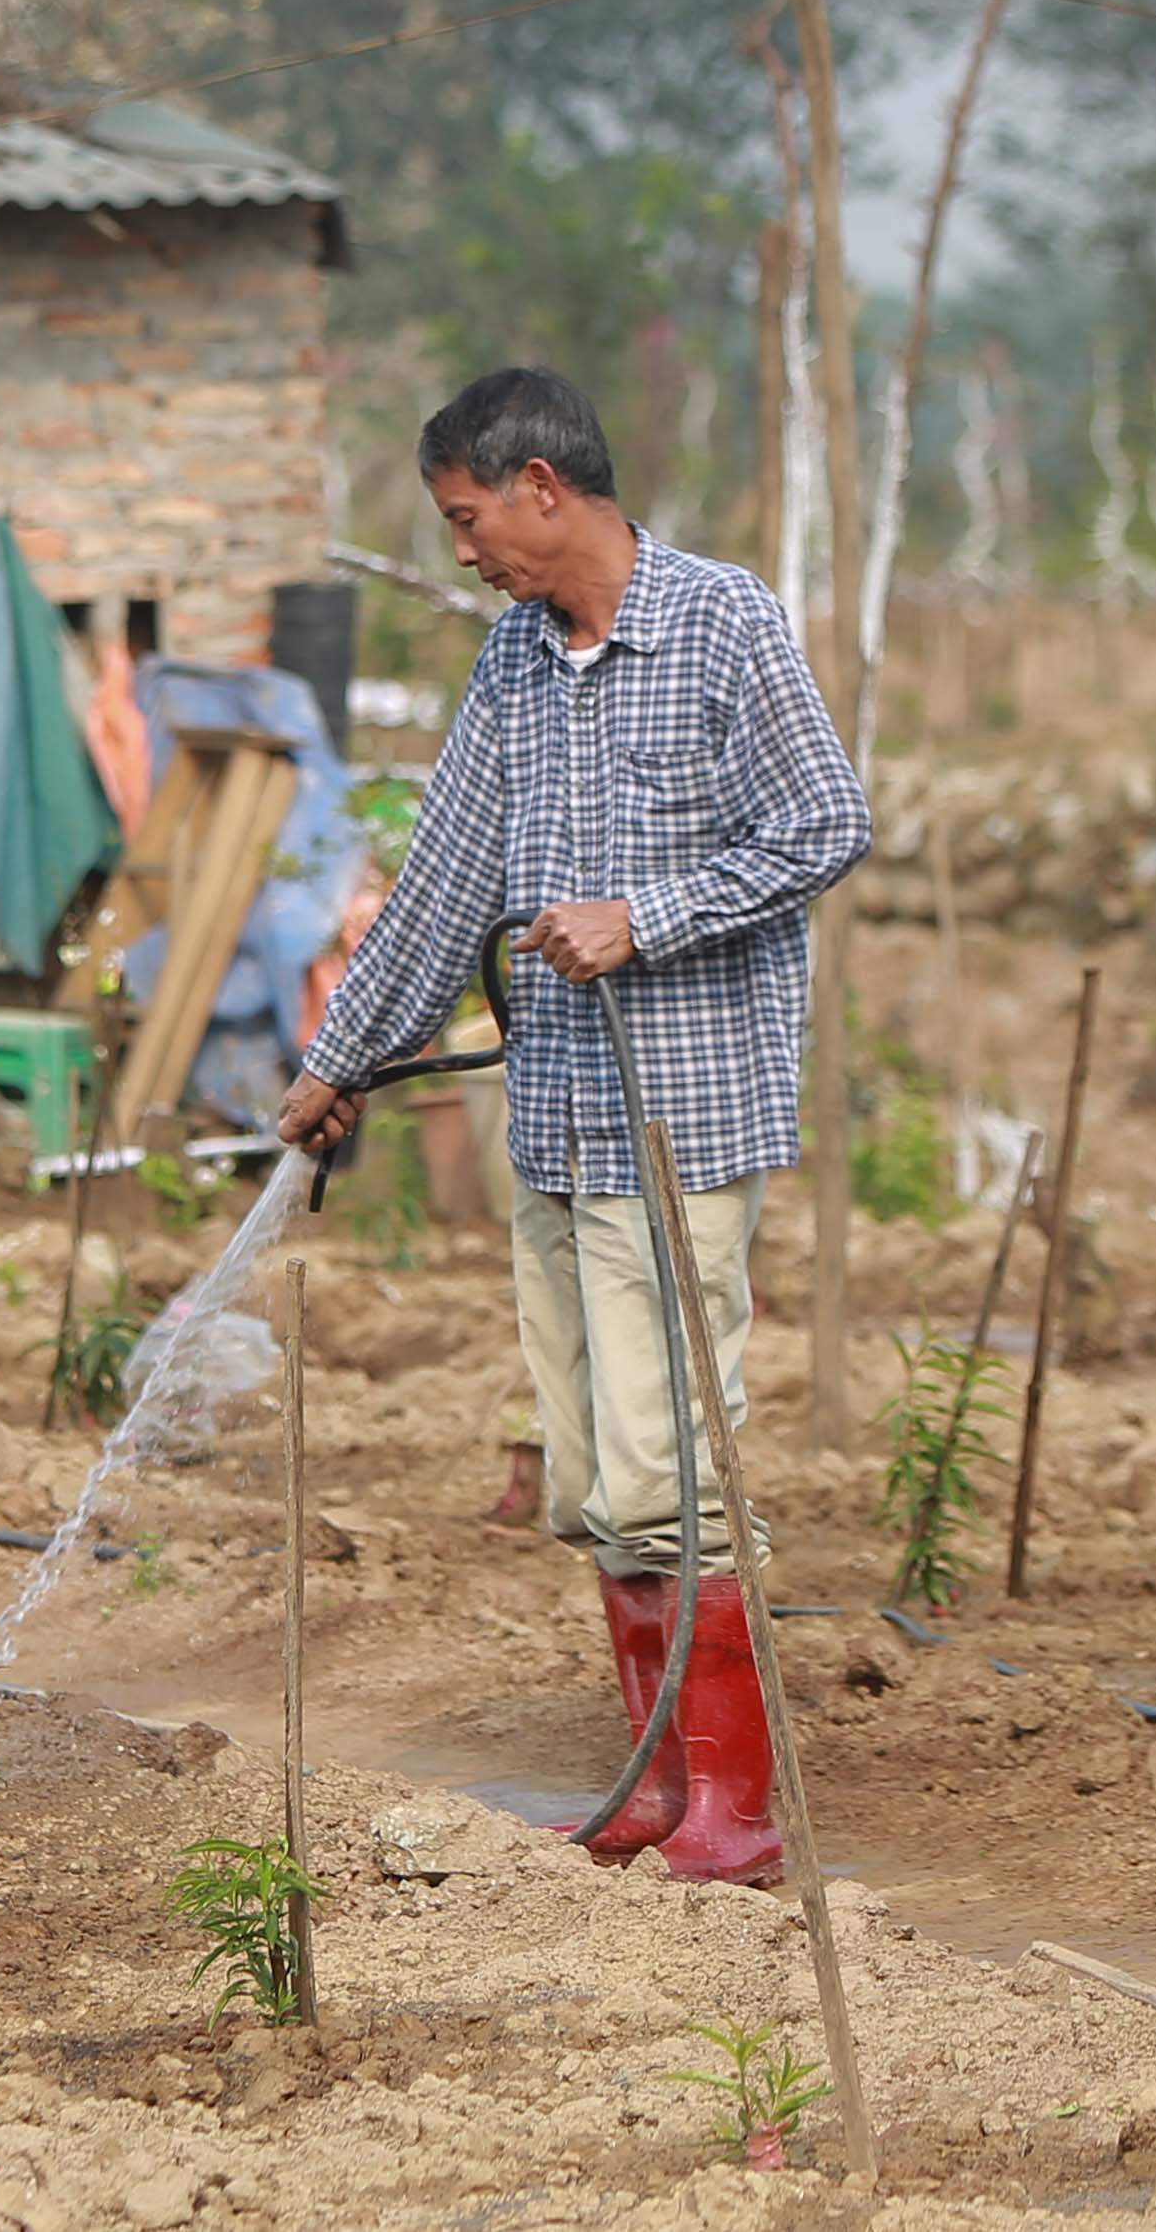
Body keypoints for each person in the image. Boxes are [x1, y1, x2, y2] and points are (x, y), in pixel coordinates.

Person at [277, 366, 867, 1885]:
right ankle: (656, 1784)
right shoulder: (513, 667)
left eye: (470, 519)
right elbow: (444, 884)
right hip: (559, 1118)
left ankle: (740, 1808)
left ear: (543, 486)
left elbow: (825, 822)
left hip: (683, 1117)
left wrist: (646, 915)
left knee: (676, 1466)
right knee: (596, 1476)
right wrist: (343, 1058)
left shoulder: (723, 621)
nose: (465, 551)